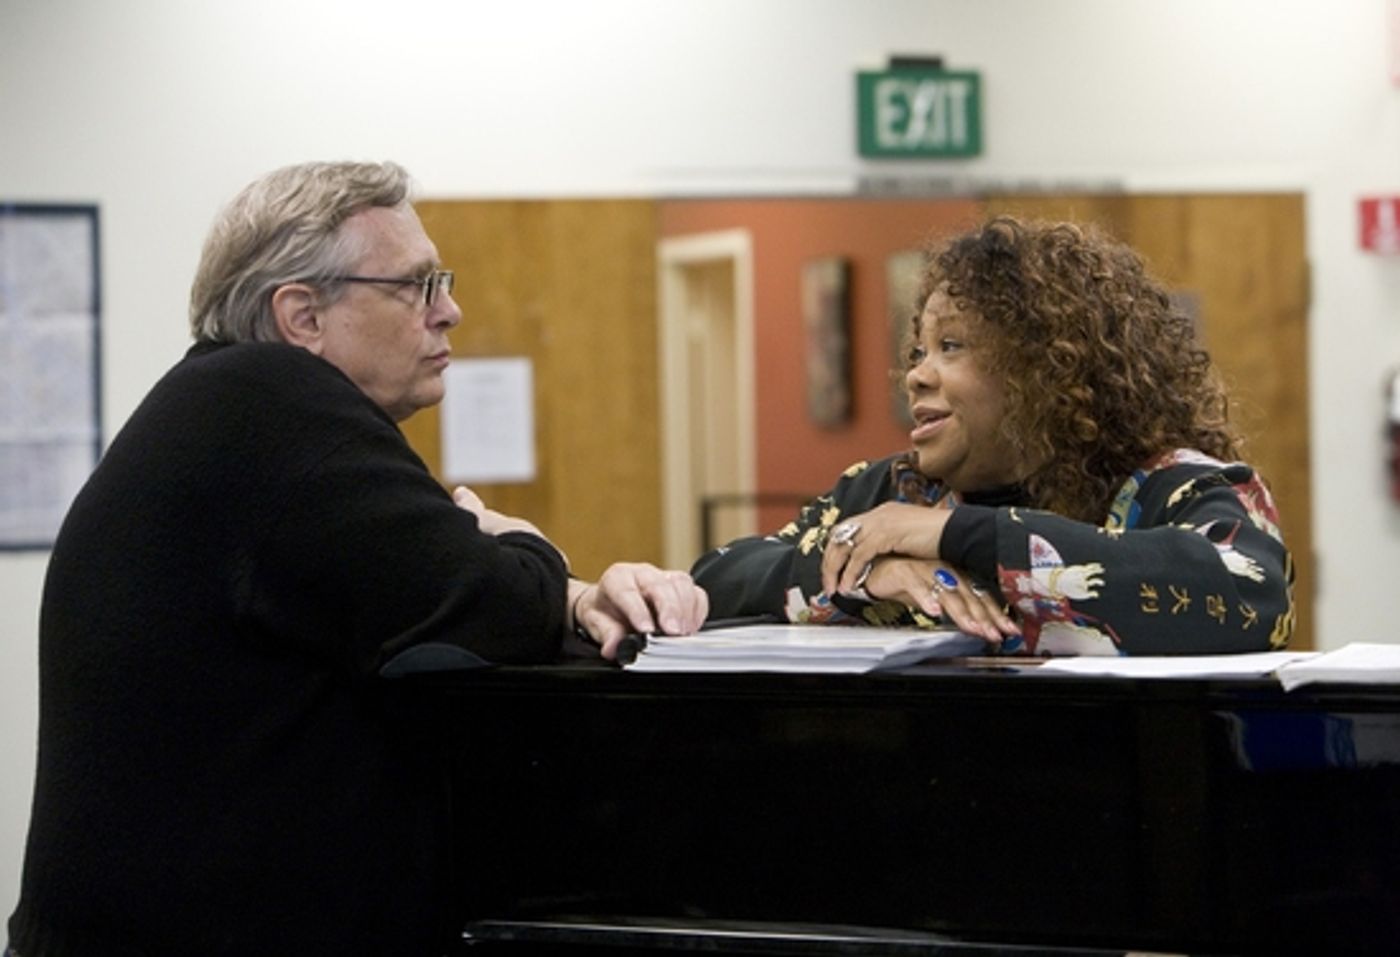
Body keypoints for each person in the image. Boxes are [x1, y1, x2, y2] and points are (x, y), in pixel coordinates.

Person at [6, 160, 707, 957]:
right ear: (302, 315)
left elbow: (429, 590)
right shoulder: (272, 405)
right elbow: (494, 604)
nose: (451, 310)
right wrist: (529, 545)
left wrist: (573, 595)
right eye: (417, 285)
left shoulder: (225, 408)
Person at [693, 215, 1293, 657]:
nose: (916, 374)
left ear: (1044, 369)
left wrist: (956, 533)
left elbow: (1250, 590)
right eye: (918, 350)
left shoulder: (1173, 485)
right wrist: (863, 574)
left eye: (950, 347)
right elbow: (716, 579)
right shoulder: (893, 489)